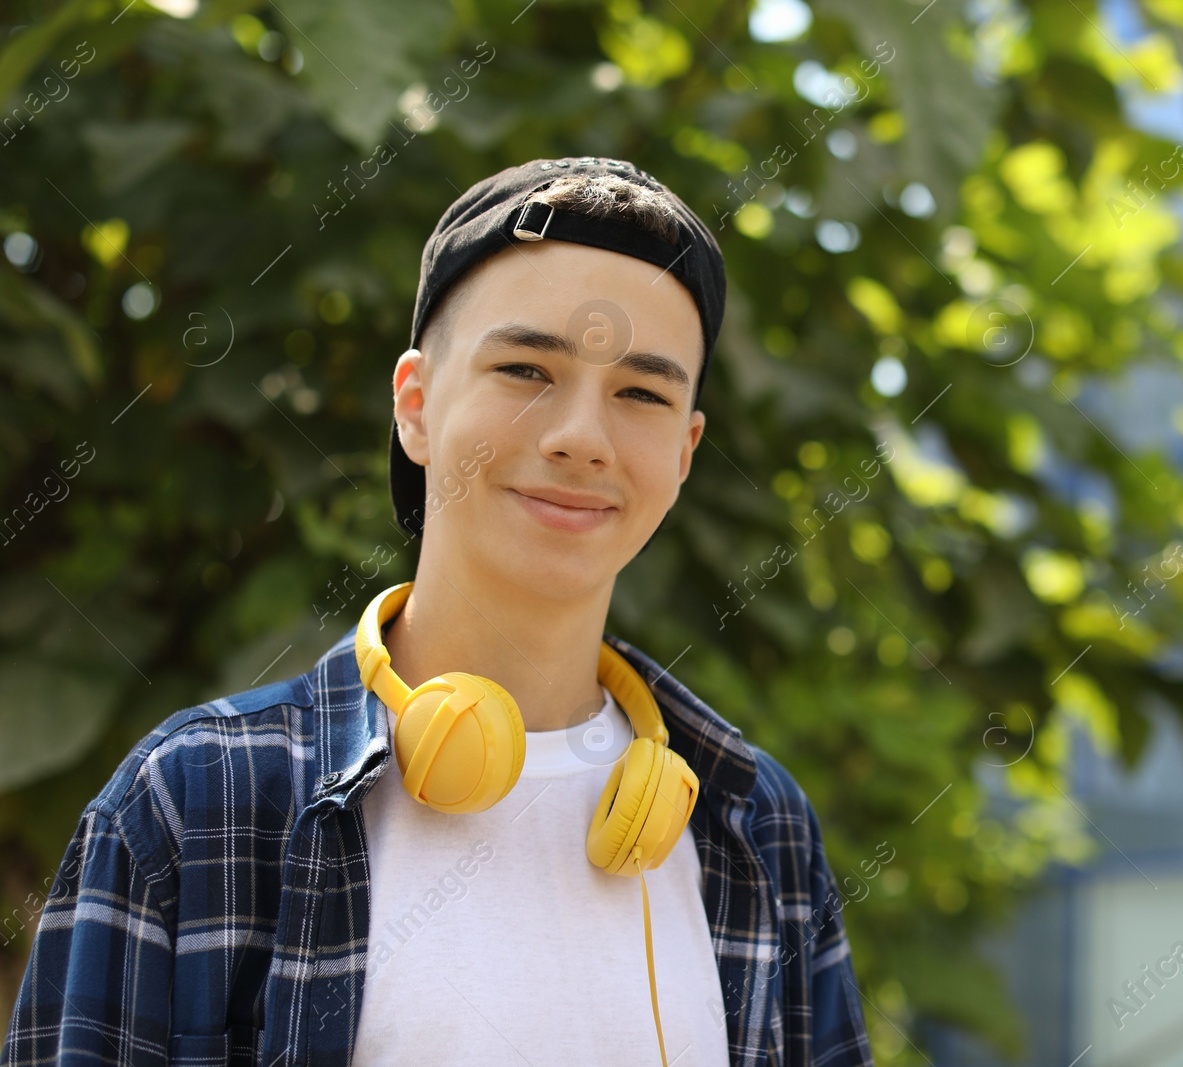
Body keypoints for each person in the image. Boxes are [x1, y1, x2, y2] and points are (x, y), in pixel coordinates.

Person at [2, 157, 873, 1067]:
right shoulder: (193, 806)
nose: (580, 435)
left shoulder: (756, 824)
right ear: (415, 407)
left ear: (686, 451)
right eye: (526, 368)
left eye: (643, 393)